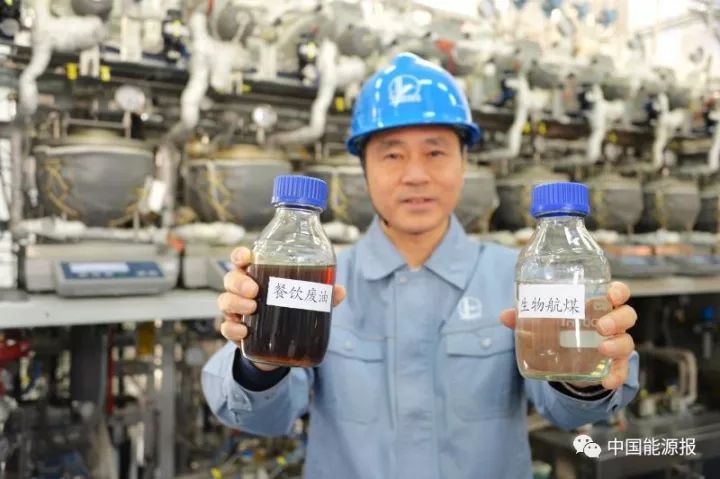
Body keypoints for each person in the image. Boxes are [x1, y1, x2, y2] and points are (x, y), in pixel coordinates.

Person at [202, 53, 639, 479]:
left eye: (435, 152)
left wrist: (588, 375)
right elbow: (262, 416)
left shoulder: (526, 278)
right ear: (364, 168)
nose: (415, 175)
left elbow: (567, 411)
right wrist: (258, 358)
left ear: (464, 162)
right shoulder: (320, 281)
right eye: (392, 155)